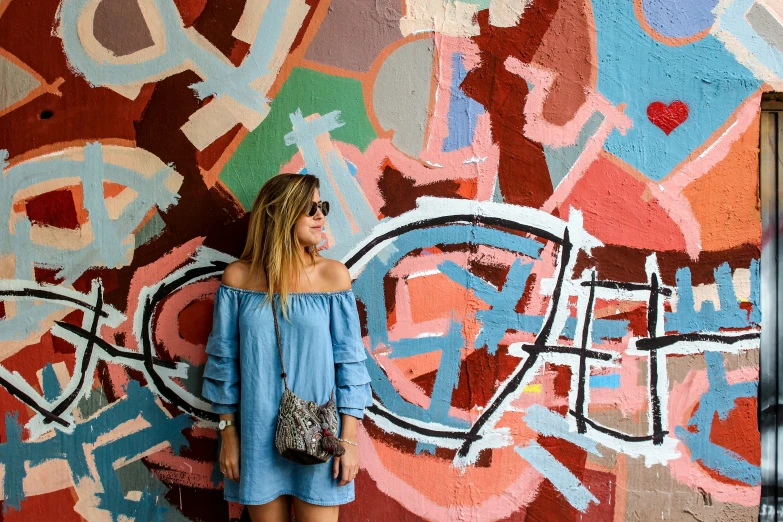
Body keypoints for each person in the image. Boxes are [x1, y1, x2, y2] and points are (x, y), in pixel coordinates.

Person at [201, 173, 373, 522]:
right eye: (310, 208)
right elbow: (224, 362)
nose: (321, 216)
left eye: (322, 206)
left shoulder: (332, 277)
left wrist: (349, 440)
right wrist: (227, 433)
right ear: (281, 214)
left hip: (320, 437)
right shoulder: (238, 279)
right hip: (256, 435)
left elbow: (350, 364)